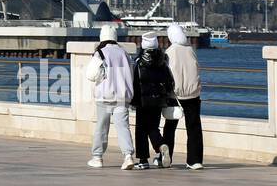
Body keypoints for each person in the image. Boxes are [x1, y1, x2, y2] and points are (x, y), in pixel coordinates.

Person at [87, 25, 136, 169]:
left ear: (102, 37)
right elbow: (131, 75)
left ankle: (97, 157)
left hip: (104, 96)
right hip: (122, 97)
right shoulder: (124, 54)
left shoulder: (100, 53)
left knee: (101, 128)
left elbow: (90, 75)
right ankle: (128, 156)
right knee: (123, 128)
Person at [163, 23, 204, 170]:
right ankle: (195, 160)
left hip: (175, 94)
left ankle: (165, 157)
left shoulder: (169, 52)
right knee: (194, 128)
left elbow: (166, 73)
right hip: (193, 94)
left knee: (170, 127)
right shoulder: (190, 50)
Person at [132, 32, 175, 169]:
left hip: (143, 101)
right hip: (158, 101)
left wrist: (133, 100)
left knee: (141, 130)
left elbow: (134, 81)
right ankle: (161, 145)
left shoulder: (139, 62)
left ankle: (143, 160)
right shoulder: (163, 61)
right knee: (153, 127)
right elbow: (169, 82)